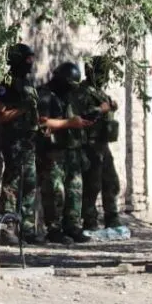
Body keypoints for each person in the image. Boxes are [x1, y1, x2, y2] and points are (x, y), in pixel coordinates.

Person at [0, 44, 47, 246]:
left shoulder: (27, 83)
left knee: (30, 185)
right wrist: (22, 110)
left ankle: (27, 230)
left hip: (29, 141)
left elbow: (33, 112)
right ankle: (8, 229)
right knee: (12, 185)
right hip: (14, 141)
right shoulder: (5, 84)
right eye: (27, 60)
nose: (30, 64)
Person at [38, 62, 95, 244]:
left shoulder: (70, 96)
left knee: (75, 190)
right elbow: (42, 122)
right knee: (56, 192)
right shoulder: (45, 95)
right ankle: (54, 229)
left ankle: (73, 227)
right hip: (53, 153)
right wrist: (70, 123)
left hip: (72, 150)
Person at [79, 56, 122, 231]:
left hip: (103, 144)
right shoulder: (82, 92)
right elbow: (79, 114)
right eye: (102, 72)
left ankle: (112, 218)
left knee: (111, 182)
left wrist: (111, 106)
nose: (105, 76)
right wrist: (100, 109)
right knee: (92, 184)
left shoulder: (99, 92)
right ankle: (90, 220)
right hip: (90, 144)